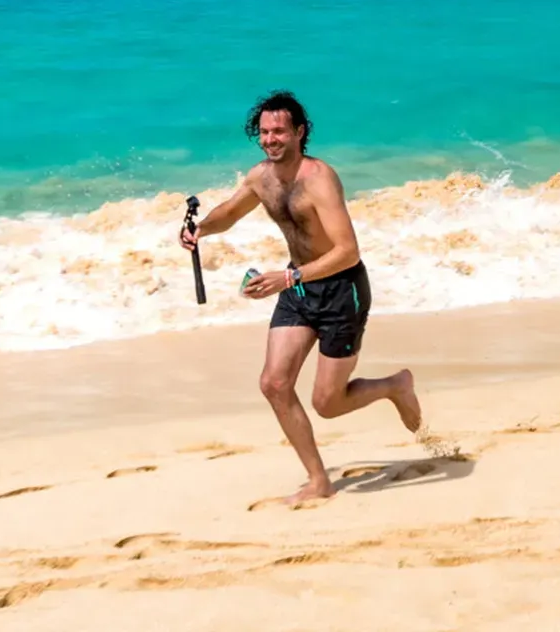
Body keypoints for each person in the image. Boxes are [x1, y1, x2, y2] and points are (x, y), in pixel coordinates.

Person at [180, 90, 421, 504]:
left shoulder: (319, 179)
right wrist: (200, 228)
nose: (271, 139)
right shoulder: (262, 177)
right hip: (297, 288)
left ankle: (395, 386)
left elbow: (348, 250)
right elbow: (231, 212)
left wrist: (288, 278)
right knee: (274, 384)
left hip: (341, 289)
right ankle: (318, 480)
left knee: (327, 403)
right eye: (264, 132)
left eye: (279, 131)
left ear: (299, 132)